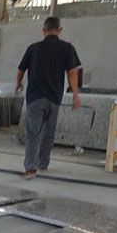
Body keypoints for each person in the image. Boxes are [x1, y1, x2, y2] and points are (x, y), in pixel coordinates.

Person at [16, 16, 82, 179]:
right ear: (59, 30)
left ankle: (30, 168)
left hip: (35, 96)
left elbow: (21, 69)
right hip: (54, 97)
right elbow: (72, 73)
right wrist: (75, 95)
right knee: (48, 133)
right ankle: (43, 163)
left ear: (43, 31)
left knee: (33, 133)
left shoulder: (33, 48)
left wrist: (18, 83)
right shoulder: (67, 48)